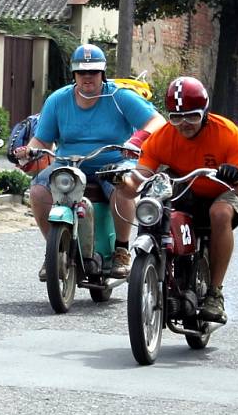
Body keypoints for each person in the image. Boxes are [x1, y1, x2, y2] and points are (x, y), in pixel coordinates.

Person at [13, 44, 166, 281]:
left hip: (113, 161)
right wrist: (28, 152)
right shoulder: (58, 100)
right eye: (81, 72)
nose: (87, 77)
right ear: (73, 74)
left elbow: (157, 122)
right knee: (38, 190)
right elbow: (41, 141)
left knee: (124, 185)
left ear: (102, 73)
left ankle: (121, 250)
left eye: (93, 72)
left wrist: (135, 142)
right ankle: (54, 251)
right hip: (68, 165)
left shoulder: (119, 96)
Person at [122, 76, 238, 324]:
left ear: (205, 113)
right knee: (154, 196)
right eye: (176, 117)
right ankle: (165, 264)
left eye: (192, 116)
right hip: (187, 189)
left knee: (219, 214)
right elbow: (138, 180)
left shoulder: (227, 133)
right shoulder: (162, 138)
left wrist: (236, 177)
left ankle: (215, 294)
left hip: (223, 190)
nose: (184, 124)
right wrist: (124, 181)